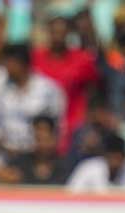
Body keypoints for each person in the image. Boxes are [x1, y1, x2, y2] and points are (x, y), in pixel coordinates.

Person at [0, 43, 65, 167]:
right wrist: (3, 145)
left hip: (37, 159)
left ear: (21, 63)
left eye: (9, 63)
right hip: (5, 156)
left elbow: (57, 126)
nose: (6, 67)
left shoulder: (48, 89)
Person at [33, 13, 98, 150]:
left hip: (73, 127)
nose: (58, 36)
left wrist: (87, 118)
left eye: (62, 32)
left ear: (69, 33)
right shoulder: (36, 58)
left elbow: (94, 90)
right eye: (54, 31)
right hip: (42, 130)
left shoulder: (82, 59)